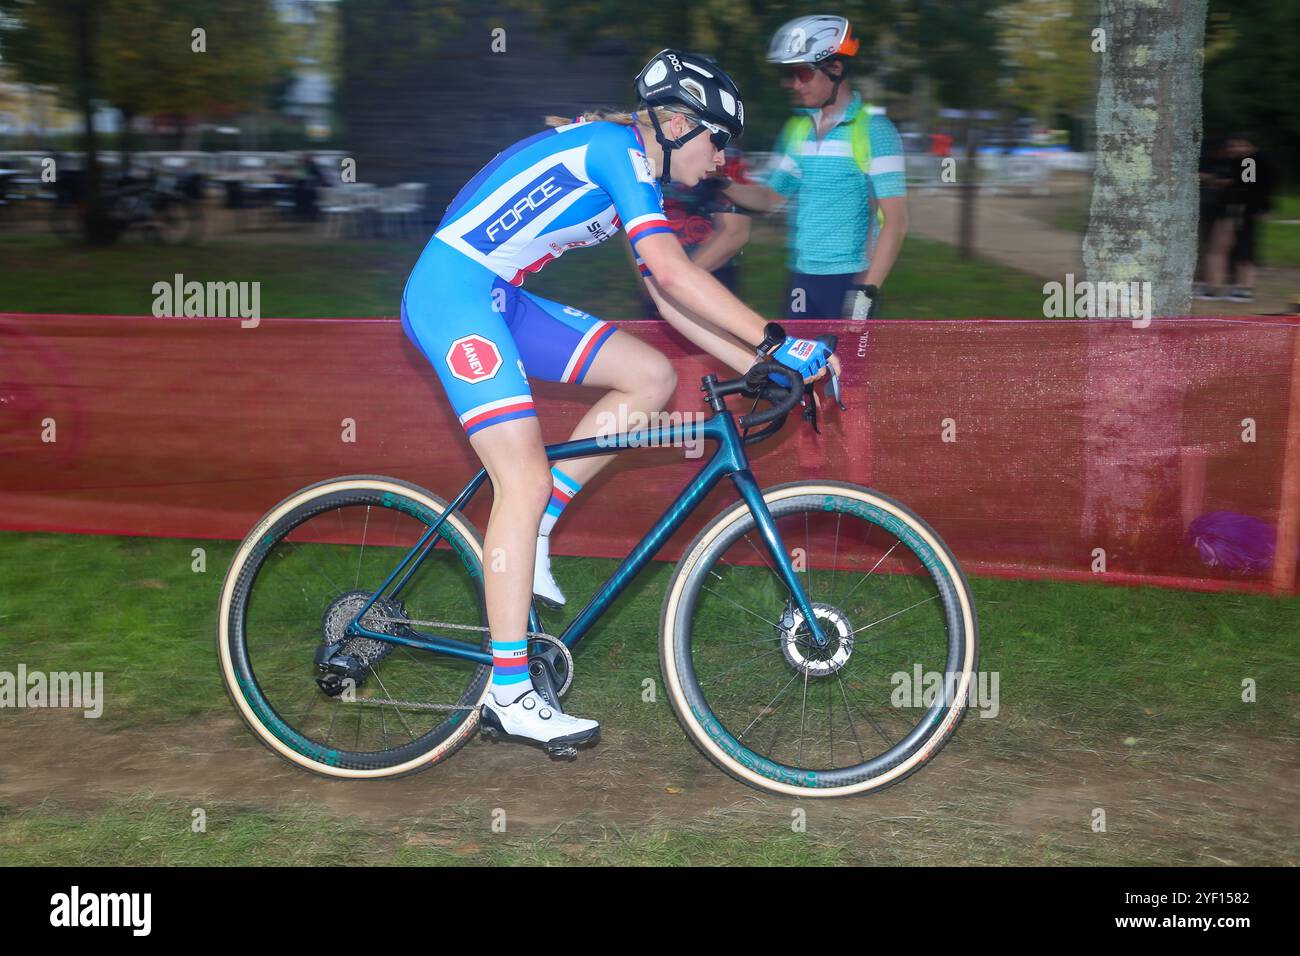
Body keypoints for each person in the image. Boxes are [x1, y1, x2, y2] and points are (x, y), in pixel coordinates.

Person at [399, 49, 840, 753]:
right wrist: (779, 339)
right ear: (672, 122)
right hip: (453, 295)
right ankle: (508, 692)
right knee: (522, 475)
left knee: (651, 377)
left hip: (498, 299)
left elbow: (668, 294)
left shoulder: (628, 166)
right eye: (717, 140)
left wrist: (760, 364)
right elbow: (671, 269)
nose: (722, 160)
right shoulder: (614, 150)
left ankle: (539, 521)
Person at [723, 14, 909, 322]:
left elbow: (896, 222)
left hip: (850, 280)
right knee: (793, 368)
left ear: (835, 68)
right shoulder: (798, 128)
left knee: (847, 372)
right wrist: (721, 184)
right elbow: (770, 199)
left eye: (802, 73)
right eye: (788, 75)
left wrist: (867, 291)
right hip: (800, 278)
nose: (793, 84)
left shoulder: (874, 130)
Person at [642, 145, 755, 317]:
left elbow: (734, 233)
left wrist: (677, 281)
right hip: (658, 274)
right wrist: (649, 280)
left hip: (708, 274)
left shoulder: (723, 156)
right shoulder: (649, 152)